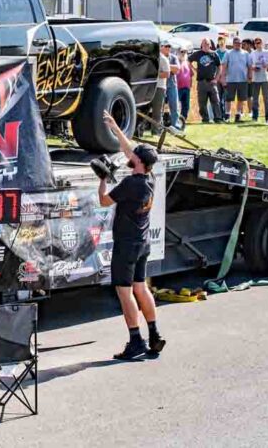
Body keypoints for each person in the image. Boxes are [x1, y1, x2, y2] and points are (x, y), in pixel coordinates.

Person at [98, 111, 164, 360]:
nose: (130, 154)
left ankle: (136, 340)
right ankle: (155, 335)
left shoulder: (130, 184)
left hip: (126, 245)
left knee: (124, 292)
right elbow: (129, 151)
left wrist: (103, 179)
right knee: (140, 287)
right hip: (143, 243)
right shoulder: (149, 178)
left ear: (139, 162)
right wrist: (115, 127)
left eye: (134, 155)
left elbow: (104, 201)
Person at [189, 38, 221, 124]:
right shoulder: (198, 54)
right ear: (201, 45)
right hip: (201, 82)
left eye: (207, 44)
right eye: (204, 44)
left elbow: (219, 67)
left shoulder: (214, 54)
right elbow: (188, 60)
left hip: (212, 82)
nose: (206, 45)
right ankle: (205, 119)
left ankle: (218, 118)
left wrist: (216, 79)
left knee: (216, 101)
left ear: (210, 45)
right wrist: (194, 69)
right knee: (202, 103)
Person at [220, 37, 250, 122]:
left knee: (241, 99)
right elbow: (224, 66)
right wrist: (223, 78)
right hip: (230, 80)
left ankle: (238, 115)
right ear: (233, 44)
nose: (238, 44)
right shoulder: (228, 53)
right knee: (228, 99)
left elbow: (249, 66)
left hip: (242, 80)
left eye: (240, 43)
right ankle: (227, 115)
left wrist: (250, 75)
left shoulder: (246, 53)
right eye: (236, 43)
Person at [248, 37, 268, 123]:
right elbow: (249, 65)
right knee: (255, 99)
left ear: (262, 43)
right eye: (256, 43)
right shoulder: (252, 54)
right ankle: (255, 117)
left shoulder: (267, 52)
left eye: (259, 42)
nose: (257, 44)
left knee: (267, 99)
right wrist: (253, 68)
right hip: (256, 79)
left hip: (265, 78)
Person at [149, 41, 171, 133]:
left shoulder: (163, 59)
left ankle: (156, 131)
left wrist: (154, 75)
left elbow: (167, 74)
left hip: (159, 87)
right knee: (144, 110)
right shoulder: (150, 58)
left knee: (157, 111)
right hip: (149, 87)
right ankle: (139, 131)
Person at [176, 48, 192, 124]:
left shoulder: (187, 63)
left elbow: (191, 74)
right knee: (177, 105)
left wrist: (190, 85)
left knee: (186, 106)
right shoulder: (176, 62)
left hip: (187, 87)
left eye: (185, 52)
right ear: (178, 52)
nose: (184, 53)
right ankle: (177, 120)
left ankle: (183, 120)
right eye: (182, 52)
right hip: (178, 87)